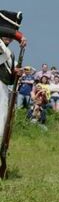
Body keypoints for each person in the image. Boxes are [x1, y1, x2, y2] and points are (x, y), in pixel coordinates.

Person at [1, 10, 28, 144]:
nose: (8, 37)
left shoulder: (10, 55)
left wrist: (15, 74)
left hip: (3, 92)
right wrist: (19, 36)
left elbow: (9, 79)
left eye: (10, 34)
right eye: (7, 32)